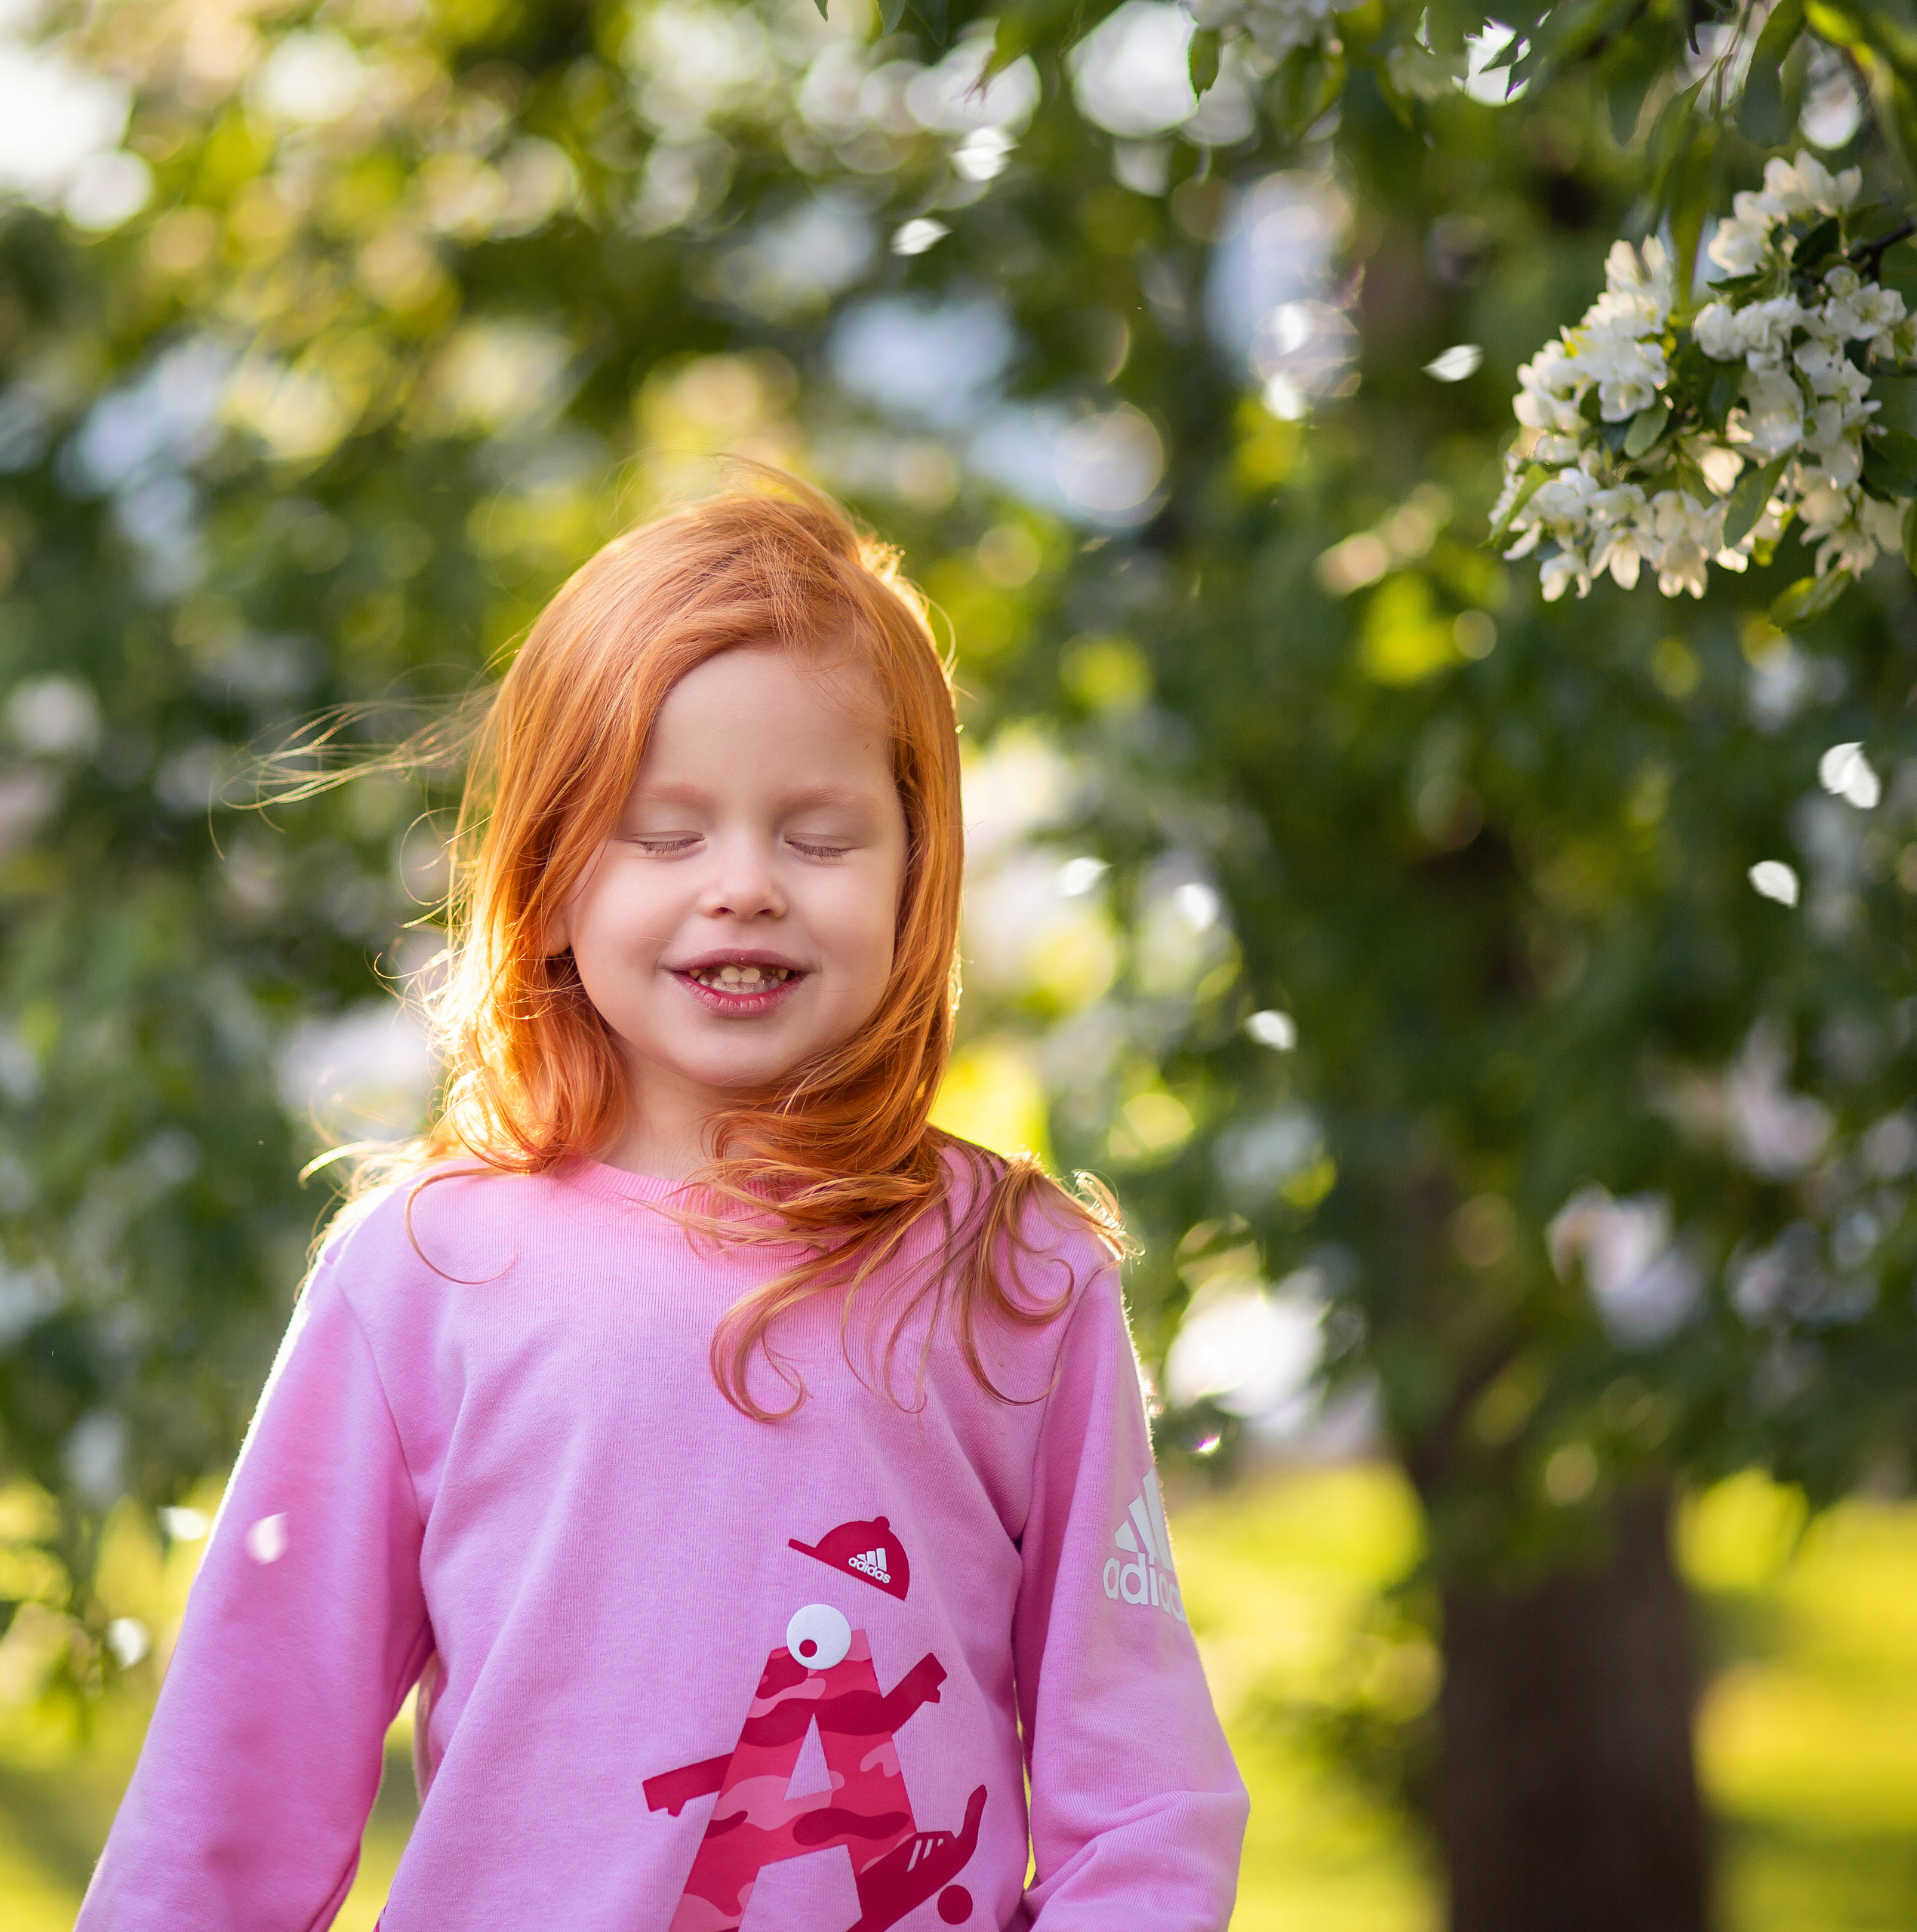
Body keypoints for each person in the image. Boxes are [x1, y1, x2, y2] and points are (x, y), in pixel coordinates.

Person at [77, 479, 1248, 1930]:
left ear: (914, 870)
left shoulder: (1020, 1275)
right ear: (553, 871)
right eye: (663, 833)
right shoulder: (425, 1276)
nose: (743, 887)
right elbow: (235, 1794)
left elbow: (1139, 1799)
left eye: (818, 836)